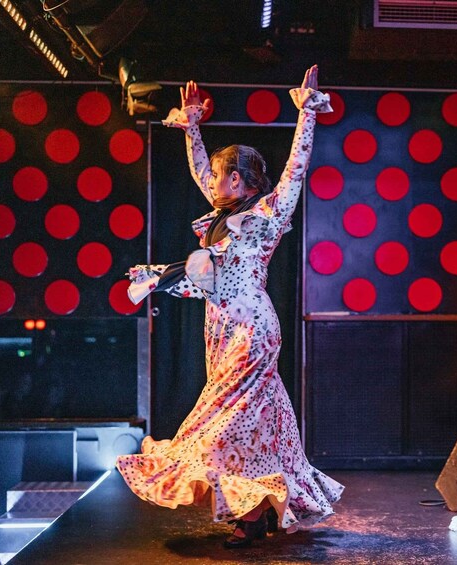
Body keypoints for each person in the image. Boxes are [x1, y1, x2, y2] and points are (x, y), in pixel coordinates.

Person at [116, 66, 344, 549]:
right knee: (256, 424)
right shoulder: (222, 216)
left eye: (221, 176)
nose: (212, 181)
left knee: (221, 421)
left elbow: (296, 169)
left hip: (251, 329)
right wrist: (192, 126)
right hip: (218, 328)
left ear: (238, 180)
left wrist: (306, 114)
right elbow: (200, 169)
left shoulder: (267, 214)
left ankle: (248, 512)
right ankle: (256, 510)